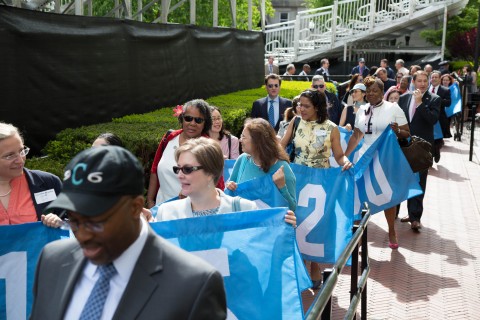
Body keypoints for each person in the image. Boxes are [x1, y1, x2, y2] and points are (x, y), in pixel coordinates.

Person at [30, 146, 227, 319]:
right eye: (74, 221)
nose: (83, 236)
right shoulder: (52, 260)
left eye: (97, 222)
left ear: (135, 208)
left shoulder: (194, 285)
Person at [279, 89, 352, 289]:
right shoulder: (294, 122)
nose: (300, 109)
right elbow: (282, 146)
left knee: (317, 223)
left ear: (318, 107)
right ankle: (301, 266)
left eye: (306, 106)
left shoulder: (331, 128)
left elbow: (339, 155)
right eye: (300, 105)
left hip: (320, 182)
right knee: (298, 221)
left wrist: (345, 162)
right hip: (297, 179)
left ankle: (315, 264)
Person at [155, 137, 296, 226]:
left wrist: (283, 227)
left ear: (210, 172)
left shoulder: (246, 209)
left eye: (187, 169)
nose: (179, 175)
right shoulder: (165, 213)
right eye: (177, 169)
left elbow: (261, 253)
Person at [345, 76, 410, 249]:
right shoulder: (362, 110)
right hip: (364, 157)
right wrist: (344, 156)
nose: (372, 94)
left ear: (382, 92)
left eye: (376, 91)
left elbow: (407, 133)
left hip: (385, 159)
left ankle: (391, 230)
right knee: (358, 196)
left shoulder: (393, 108)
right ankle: (357, 237)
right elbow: (356, 136)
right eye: (369, 91)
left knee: (387, 195)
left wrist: (398, 131)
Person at [147, 99, 222, 207]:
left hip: (193, 214)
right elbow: (154, 170)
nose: (192, 123)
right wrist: (150, 201)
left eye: (198, 120)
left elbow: (217, 185)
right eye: (188, 118)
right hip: (161, 211)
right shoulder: (169, 137)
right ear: (182, 119)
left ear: (205, 123)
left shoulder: (208, 148)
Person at [398, 71, 440, 231]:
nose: (422, 84)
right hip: (403, 146)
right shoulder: (403, 99)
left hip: (422, 148)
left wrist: (420, 103)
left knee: (419, 181)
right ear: (413, 82)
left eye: (425, 81)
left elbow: (432, 119)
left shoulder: (434, 99)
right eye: (419, 81)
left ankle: (415, 217)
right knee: (400, 179)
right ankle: (394, 212)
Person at [226, 118, 297, 211]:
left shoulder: (282, 168)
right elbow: (228, 196)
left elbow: (292, 208)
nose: (240, 140)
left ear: (258, 142)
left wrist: (282, 187)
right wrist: (230, 186)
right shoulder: (242, 159)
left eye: (244, 137)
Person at [0, 122, 62, 226]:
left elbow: (74, 221)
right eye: (10, 155)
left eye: (21, 151)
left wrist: (59, 222)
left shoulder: (49, 182)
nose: (20, 160)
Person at [429, 70, 452, 163]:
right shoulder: (426, 88)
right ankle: (429, 158)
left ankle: (437, 151)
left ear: (440, 79)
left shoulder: (445, 90)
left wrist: (437, 100)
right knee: (429, 139)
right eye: (432, 77)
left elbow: (448, 103)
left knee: (438, 140)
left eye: (436, 77)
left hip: (440, 118)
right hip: (429, 117)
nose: (434, 79)